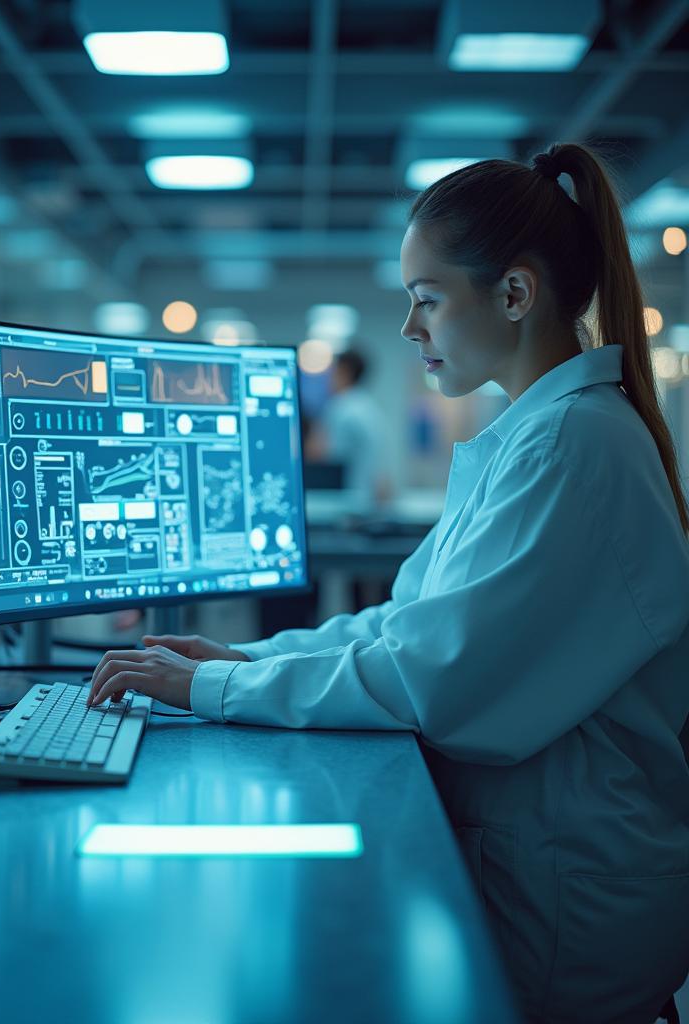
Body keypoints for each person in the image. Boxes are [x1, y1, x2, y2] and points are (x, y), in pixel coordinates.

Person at [88, 143, 689, 1024]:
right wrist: (240, 657)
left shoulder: (575, 446)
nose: (408, 328)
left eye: (426, 299)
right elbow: (400, 627)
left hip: (568, 909)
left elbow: (433, 679)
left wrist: (216, 687)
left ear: (515, 295)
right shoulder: (541, 435)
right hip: (541, 872)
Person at [305, 348, 388, 506]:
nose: (327, 379)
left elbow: (322, 454)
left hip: (349, 500)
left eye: (332, 372)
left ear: (345, 372)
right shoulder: (368, 406)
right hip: (369, 496)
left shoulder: (341, 407)